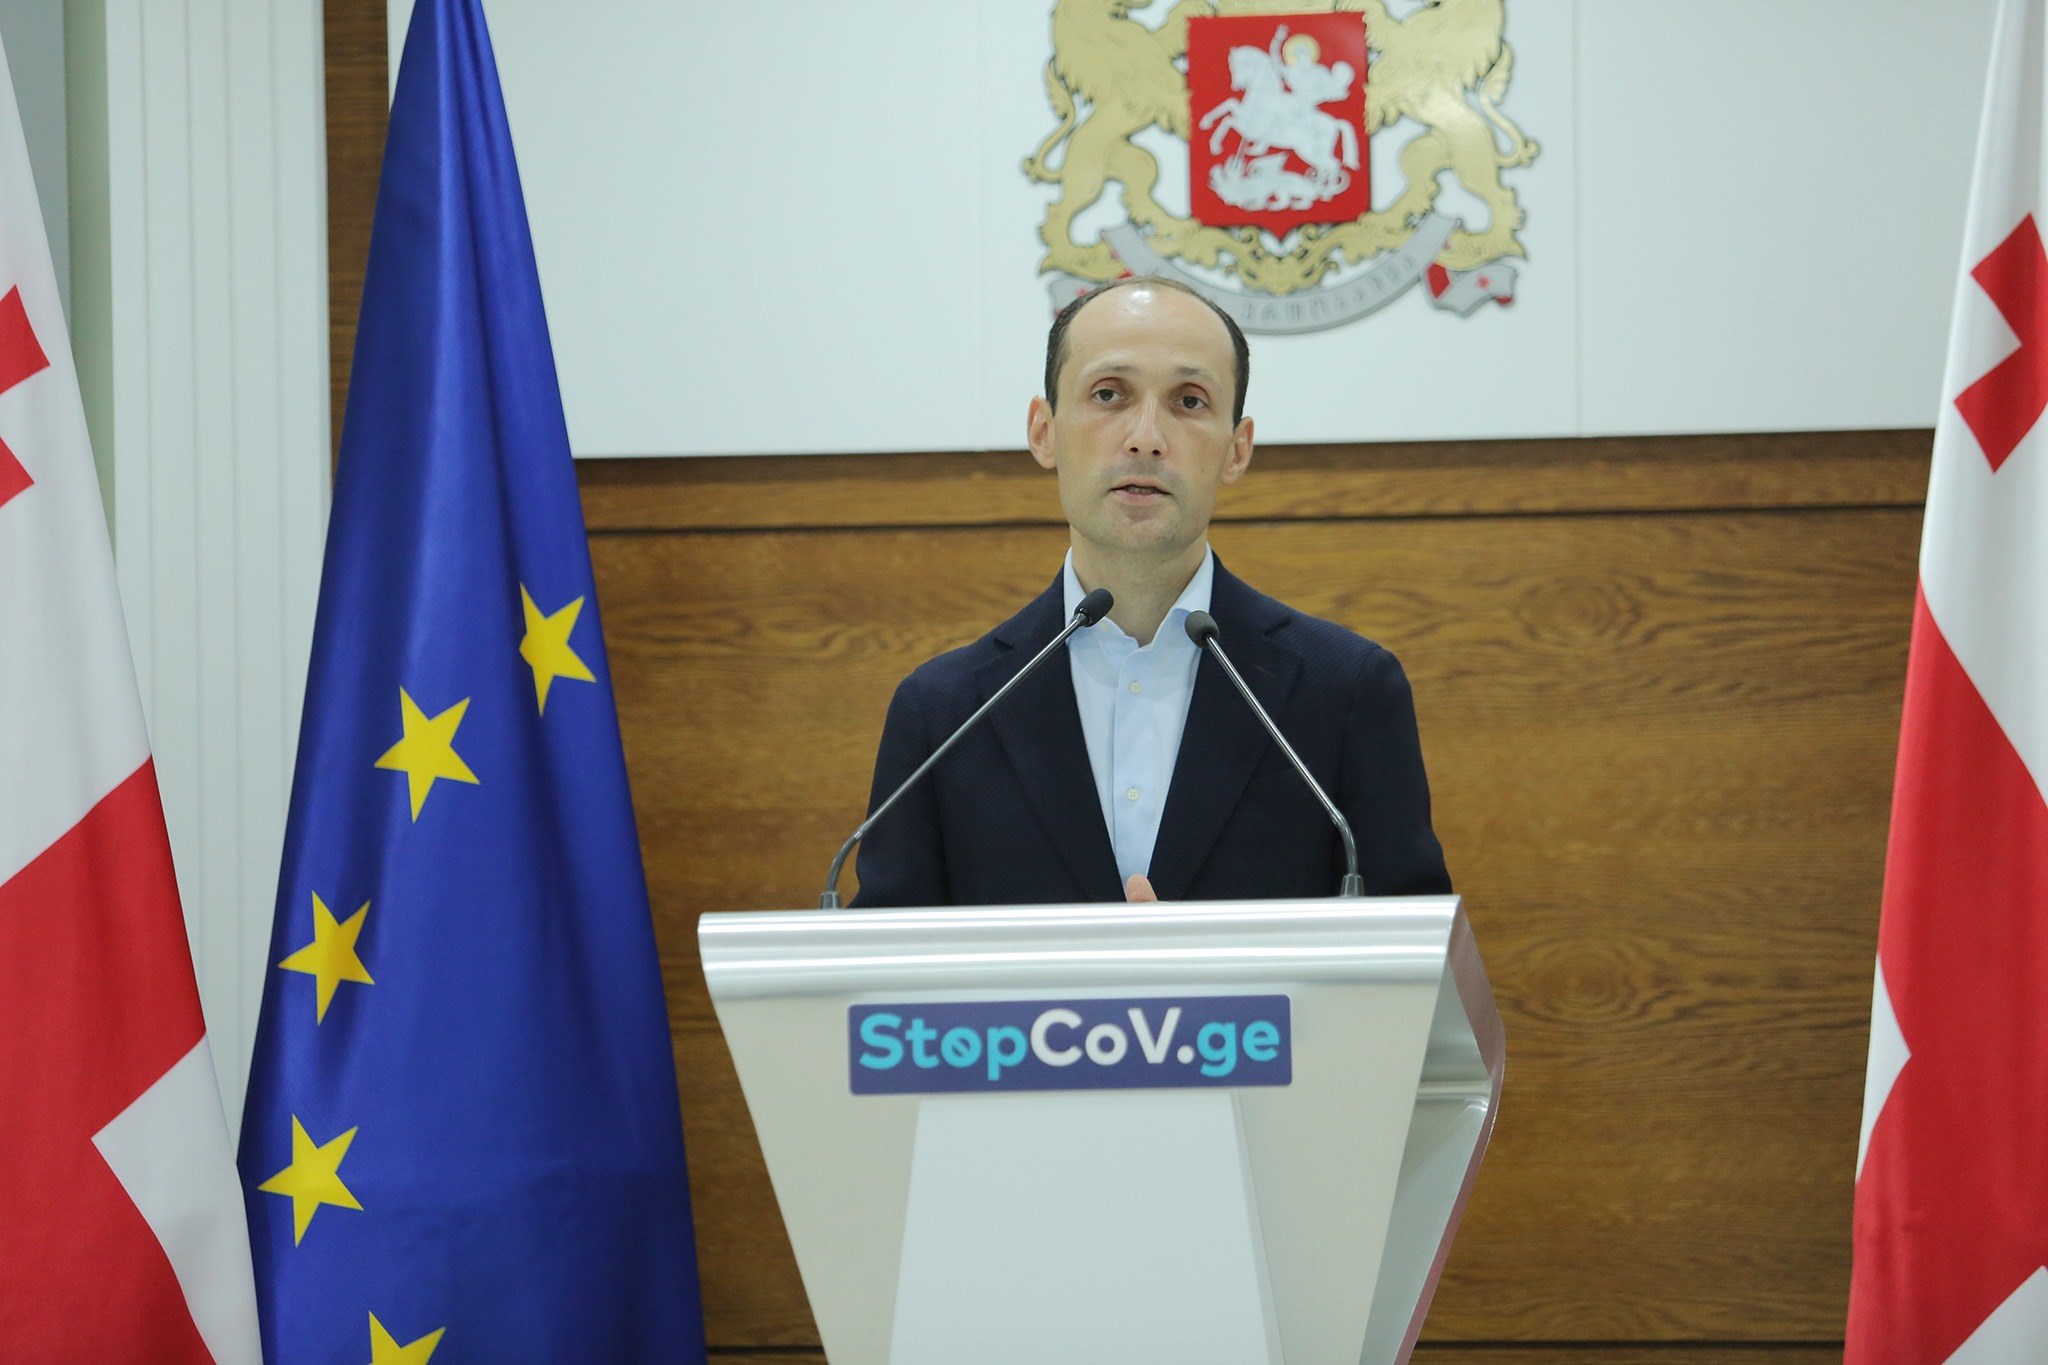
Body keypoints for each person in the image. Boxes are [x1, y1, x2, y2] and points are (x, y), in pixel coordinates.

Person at [851, 276, 1450, 907]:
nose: (1146, 437)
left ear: (1237, 450)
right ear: (1044, 431)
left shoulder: (1346, 691)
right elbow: (888, 960)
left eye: (1189, 401)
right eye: (1109, 394)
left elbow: (1409, 946)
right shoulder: (943, 713)